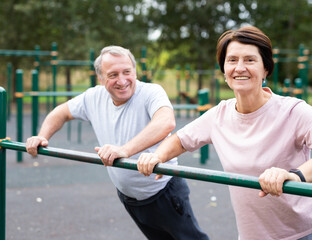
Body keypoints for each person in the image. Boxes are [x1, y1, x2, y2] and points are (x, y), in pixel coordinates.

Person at [137, 26, 312, 240]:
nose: (240, 68)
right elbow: (180, 140)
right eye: (232, 60)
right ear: (224, 70)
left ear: (266, 69)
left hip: (305, 233)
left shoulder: (293, 111)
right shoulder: (219, 115)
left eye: (249, 60)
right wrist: (158, 156)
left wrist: (295, 175)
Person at [25, 46, 209, 240]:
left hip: (164, 193)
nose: (122, 81)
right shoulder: (93, 97)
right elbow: (61, 112)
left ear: (135, 71)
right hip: (131, 199)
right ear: (101, 78)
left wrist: (125, 150)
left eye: (127, 72)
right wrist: (42, 136)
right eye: (113, 75)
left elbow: (166, 122)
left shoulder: (151, 92)